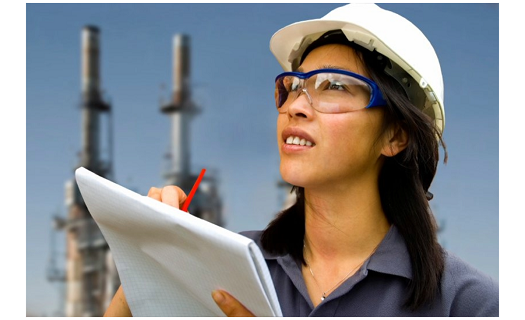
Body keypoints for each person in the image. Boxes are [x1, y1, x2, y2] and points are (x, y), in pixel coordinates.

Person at [104, 3, 499, 317]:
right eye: (294, 86)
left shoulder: (468, 305)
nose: (296, 106)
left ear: (396, 135)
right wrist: (145, 268)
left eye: (334, 86)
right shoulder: (229, 270)